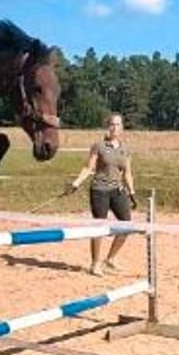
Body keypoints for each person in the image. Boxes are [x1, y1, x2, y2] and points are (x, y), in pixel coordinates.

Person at [66, 113, 137, 276]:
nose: (115, 127)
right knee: (99, 227)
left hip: (117, 190)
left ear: (122, 128)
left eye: (118, 125)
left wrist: (132, 192)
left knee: (127, 225)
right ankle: (95, 264)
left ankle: (110, 259)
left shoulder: (125, 149)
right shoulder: (99, 146)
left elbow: (127, 173)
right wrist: (76, 183)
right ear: (108, 126)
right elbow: (88, 167)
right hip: (99, 190)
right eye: (112, 124)